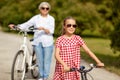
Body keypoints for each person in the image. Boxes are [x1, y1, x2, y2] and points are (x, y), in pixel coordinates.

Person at [9, 2, 55, 80]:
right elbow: (26, 24)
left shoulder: (51, 19)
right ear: (40, 9)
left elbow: (52, 31)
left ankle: (45, 77)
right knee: (40, 61)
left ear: (49, 9)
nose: (45, 10)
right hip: (37, 41)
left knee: (46, 61)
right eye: (43, 8)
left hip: (48, 42)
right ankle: (41, 76)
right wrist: (16, 26)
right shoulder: (36, 18)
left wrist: (44, 29)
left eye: (47, 8)